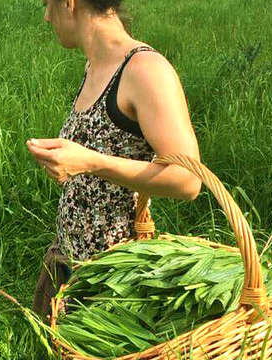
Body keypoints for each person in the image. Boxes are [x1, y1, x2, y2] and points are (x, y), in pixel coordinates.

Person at [27, 0, 202, 317]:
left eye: (47, 4)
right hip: (70, 264)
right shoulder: (95, 65)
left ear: (69, 2)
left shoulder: (146, 70)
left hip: (112, 281)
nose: (46, 15)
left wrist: (91, 162)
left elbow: (189, 179)